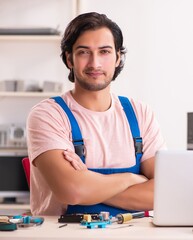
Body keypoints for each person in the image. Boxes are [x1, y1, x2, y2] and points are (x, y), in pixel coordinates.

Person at [27, 12, 166, 216]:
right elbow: (72, 191)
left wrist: (86, 183)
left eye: (104, 52)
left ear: (118, 57)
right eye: (84, 52)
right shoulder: (49, 114)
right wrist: (131, 179)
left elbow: (163, 193)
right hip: (63, 235)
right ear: (69, 59)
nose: (95, 64)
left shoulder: (140, 113)